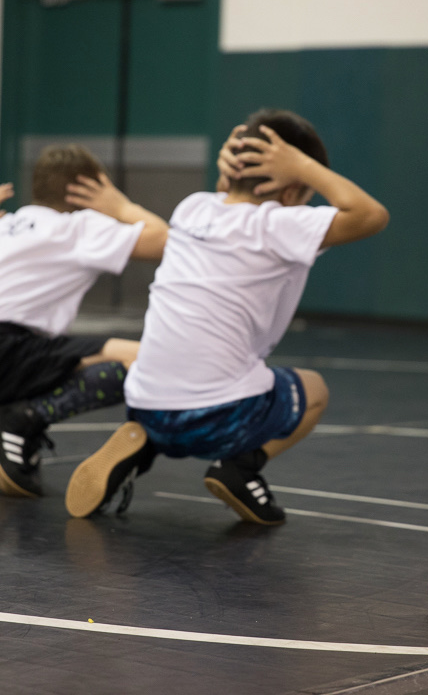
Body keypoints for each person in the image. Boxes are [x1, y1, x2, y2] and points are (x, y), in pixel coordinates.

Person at [64, 109, 390, 525]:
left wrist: (243, 163)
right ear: (292, 191)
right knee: (314, 389)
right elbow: (371, 215)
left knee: (183, 382)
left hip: (144, 403)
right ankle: (239, 468)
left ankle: (144, 442)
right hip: (218, 420)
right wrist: (304, 167)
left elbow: (228, 195)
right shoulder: (279, 225)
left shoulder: (191, 209)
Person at [0, 144, 167, 497]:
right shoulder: (79, 227)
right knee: (146, 359)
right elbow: (165, 242)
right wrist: (122, 207)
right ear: (91, 190)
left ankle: (18, 421)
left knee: (68, 354)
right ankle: (23, 419)